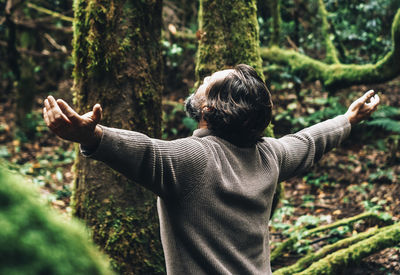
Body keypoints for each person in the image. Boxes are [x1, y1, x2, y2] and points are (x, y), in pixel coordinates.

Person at [43, 64, 380, 275]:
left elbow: (145, 151)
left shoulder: (194, 159)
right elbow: (309, 141)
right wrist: (348, 119)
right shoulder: (271, 155)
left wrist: (92, 135)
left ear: (210, 108)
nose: (201, 79)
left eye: (207, 81)